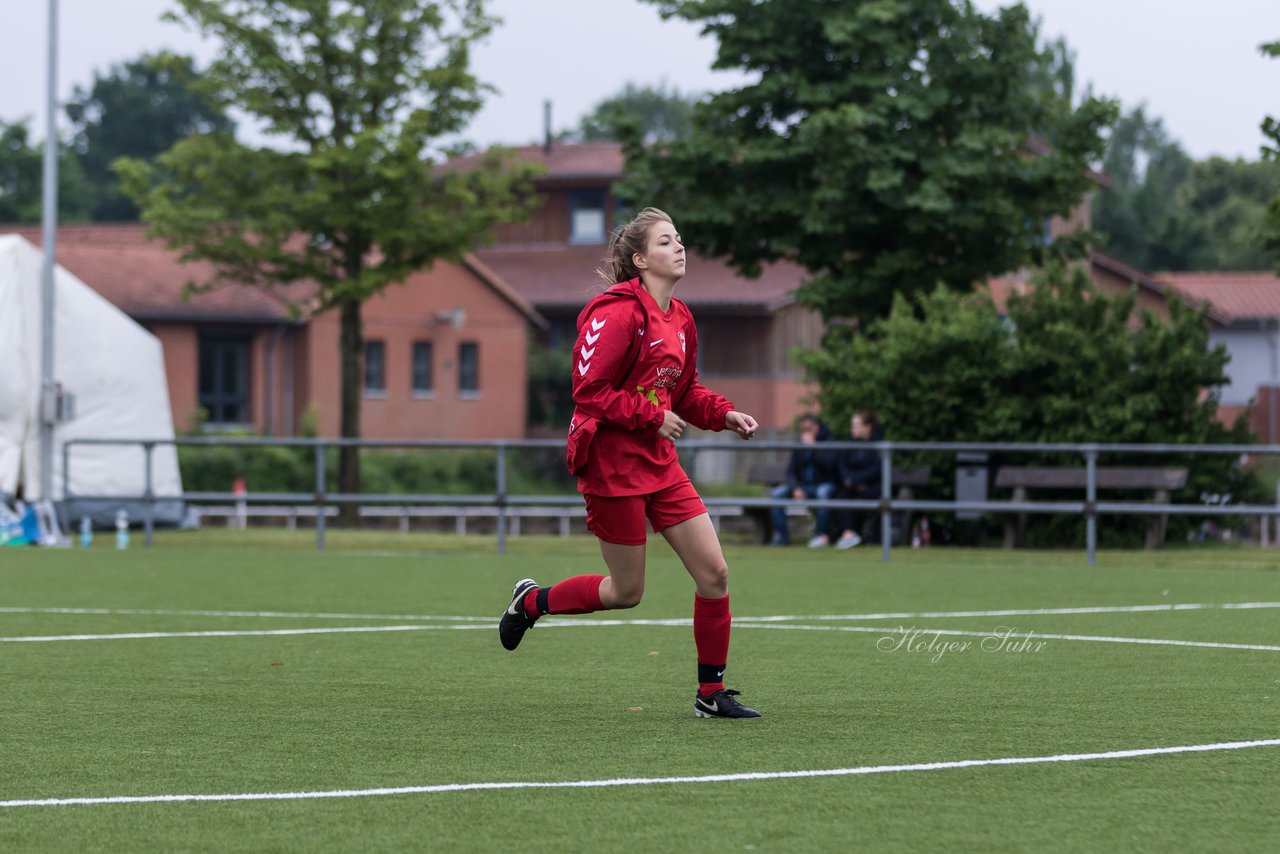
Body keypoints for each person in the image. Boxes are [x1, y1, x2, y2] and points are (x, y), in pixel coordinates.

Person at [498, 207, 763, 719]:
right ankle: (531, 602)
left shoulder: (681, 317)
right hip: (611, 465)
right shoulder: (615, 313)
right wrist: (649, 416)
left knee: (715, 574)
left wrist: (724, 414)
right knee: (625, 592)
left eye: (680, 239)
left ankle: (711, 694)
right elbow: (588, 391)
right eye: (666, 242)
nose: (679, 247)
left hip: (660, 464)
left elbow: (683, 392)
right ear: (640, 259)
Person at [767, 414, 840, 548]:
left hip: (822, 485)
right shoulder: (799, 445)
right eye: (803, 430)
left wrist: (813, 447)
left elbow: (830, 466)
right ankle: (782, 537)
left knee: (823, 494)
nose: (805, 433)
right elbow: (790, 472)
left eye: (808, 429)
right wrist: (796, 488)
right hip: (802, 486)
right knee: (776, 494)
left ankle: (821, 536)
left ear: (816, 427)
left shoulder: (829, 442)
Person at [826, 411, 884, 550]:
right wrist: (849, 480)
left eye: (857, 425)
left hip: (870, 487)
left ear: (868, 427)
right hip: (851, 487)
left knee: (862, 497)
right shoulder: (850, 444)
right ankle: (847, 534)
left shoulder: (878, 445)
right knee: (839, 496)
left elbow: (876, 469)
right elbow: (842, 465)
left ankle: (852, 536)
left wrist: (858, 481)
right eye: (853, 425)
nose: (854, 429)